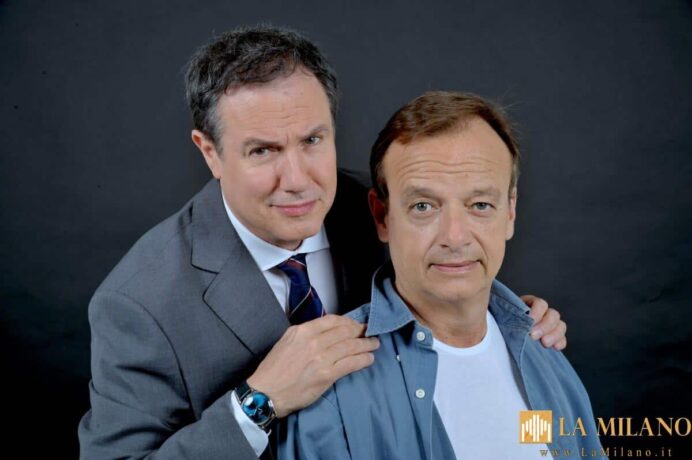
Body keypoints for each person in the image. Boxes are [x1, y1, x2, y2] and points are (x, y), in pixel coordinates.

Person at [78, 27, 568, 459]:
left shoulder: (382, 207)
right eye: (263, 150)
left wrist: (503, 319)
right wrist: (257, 402)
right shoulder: (139, 303)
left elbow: (453, 259)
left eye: (312, 140)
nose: (298, 181)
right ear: (210, 152)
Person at [280, 91, 602, 459]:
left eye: (480, 205)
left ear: (510, 212)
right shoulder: (331, 388)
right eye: (423, 206)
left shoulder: (542, 350)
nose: (455, 236)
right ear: (382, 217)